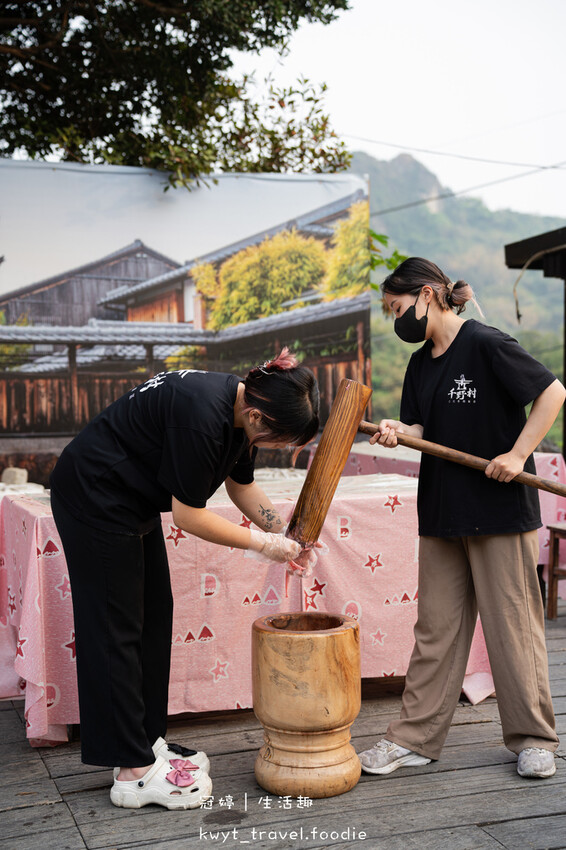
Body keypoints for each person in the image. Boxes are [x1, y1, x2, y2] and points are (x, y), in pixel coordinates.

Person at [49, 348, 319, 809]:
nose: (276, 448)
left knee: (153, 618)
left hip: (128, 500)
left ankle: (145, 742)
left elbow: (241, 484)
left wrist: (285, 534)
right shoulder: (201, 415)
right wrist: (259, 544)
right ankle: (132, 773)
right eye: (278, 441)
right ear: (256, 416)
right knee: (116, 627)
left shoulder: (239, 404)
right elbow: (189, 516)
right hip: (94, 497)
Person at [358, 257, 565, 780]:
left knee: (512, 628)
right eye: (389, 312)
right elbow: (423, 427)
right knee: (436, 631)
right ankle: (415, 739)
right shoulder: (420, 363)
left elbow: (552, 392)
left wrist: (517, 455)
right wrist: (399, 430)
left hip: (500, 512)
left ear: (427, 295)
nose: (395, 319)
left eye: (398, 308)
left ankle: (534, 738)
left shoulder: (486, 343)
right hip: (443, 512)